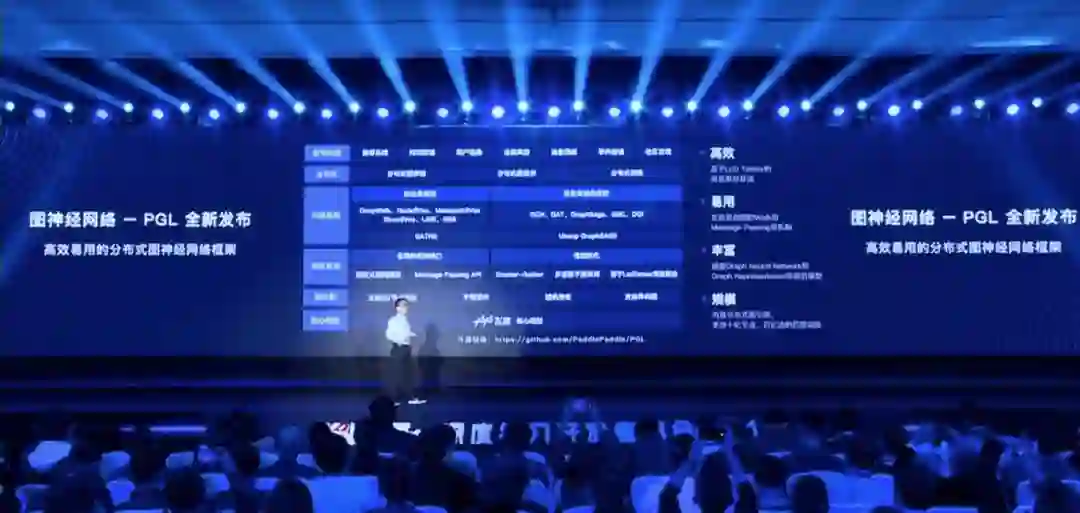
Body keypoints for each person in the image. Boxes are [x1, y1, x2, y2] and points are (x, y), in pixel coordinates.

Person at [385, 298, 423, 405]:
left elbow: (404, 332)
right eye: (403, 305)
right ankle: (395, 399)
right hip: (399, 348)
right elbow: (389, 334)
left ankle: (411, 397)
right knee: (397, 374)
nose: (406, 307)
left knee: (408, 374)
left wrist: (412, 335)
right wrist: (399, 341)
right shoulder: (393, 320)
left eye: (407, 305)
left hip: (406, 348)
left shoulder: (405, 320)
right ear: (397, 308)